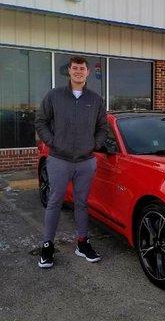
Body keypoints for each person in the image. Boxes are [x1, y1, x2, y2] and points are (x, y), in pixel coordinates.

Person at [35, 56, 108, 268]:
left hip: (86, 161)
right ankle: (47, 245)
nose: (78, 71)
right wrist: (52, 142)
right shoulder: (54, 96)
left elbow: (103, 127)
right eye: (74, 68)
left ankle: (83, 243)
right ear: (69, 71)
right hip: (59, 160)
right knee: (55, 201)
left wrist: (94, 144)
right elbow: (40, 121)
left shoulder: (95, 100)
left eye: (82, 68)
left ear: (87, 73)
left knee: (82, 203)